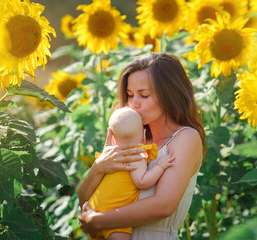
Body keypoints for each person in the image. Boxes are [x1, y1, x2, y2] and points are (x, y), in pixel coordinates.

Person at [78, 52, 205, 240]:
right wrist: (98, 168)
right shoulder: (130, 138)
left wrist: (100, 221)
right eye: (129, 95)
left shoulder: (185, 138)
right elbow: (85, 202)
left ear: (170, 95)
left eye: (144, 96)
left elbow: (163, 205)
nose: (133, 104)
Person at [88, 107, 175, 240]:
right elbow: (142, 182)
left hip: (94, 209)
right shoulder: (136, 156)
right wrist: (159, 166)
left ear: (111, 136)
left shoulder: (108, 155)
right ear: (143, 135)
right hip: (113, 217)